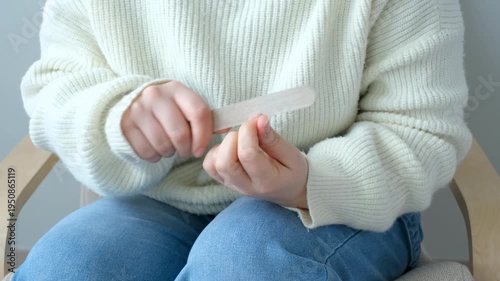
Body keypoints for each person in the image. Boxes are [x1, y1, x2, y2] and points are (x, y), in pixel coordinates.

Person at [13, 0, 472, 280]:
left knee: (240, 263)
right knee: (68, 266)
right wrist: (118, 115)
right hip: (161, 200)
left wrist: (311, 183)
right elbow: (58, 85)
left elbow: (421, 129)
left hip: (341, 209)